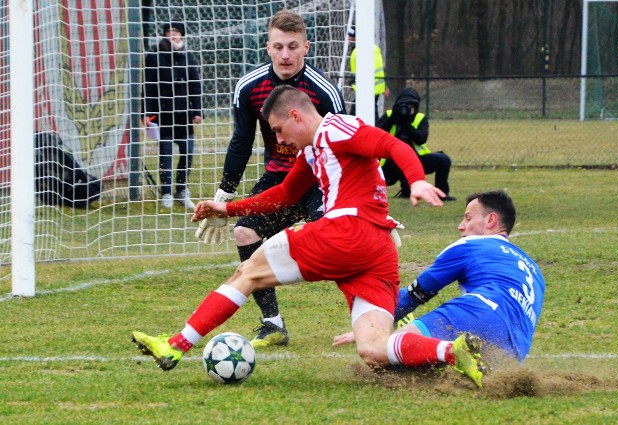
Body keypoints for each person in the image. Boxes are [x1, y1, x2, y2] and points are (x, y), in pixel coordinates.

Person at [131, 85, 489, 388]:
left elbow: (391, 146)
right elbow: (285, 195)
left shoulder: (337, 129)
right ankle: (451, 351)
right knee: (373, 349)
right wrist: (228, 208)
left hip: (346, 231)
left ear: (296, 115)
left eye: (278, 130)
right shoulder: (313, 150)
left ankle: (175, 345)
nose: (279, 140)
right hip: (376, 250)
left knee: (248, 273)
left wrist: (416, 180)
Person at [194, 10, 346, 349]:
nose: (286, 55)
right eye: (278, 46)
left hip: (319, 180)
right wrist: (224, 196)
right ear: (268, 48)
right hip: (280, 179)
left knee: (339, 247)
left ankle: (386, 311)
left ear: (306, 47)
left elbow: (344, 146)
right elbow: (241, 142)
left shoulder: (325, 92)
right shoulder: (250, 87)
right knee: (244, 230)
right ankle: (272, 324)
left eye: (293, 46)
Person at [333, 190, 546, 364]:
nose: (461, 226)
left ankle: (447, 350)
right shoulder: (536, 272)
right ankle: (454, 357)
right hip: (513, 352)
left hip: (478, 313)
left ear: (491, 220)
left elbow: (414, 295)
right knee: (430, 367)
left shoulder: (470, 245)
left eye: (468, 218)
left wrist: (371, 327)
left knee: (378, 354)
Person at [143, 22, 203, 210]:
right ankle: (166, 192)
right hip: (164, 115)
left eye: (176, 32)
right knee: (166, 155)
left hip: (184, 116)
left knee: (187, 153)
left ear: (182, 35)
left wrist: (197, 111)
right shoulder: (154, 57)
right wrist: (147, 112)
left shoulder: (188, 57)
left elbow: (195, 85)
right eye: (169, 32)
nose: (173, 35)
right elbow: (148, 87)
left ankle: (182, 189)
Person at [376, 87, 455, 201]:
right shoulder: (389, 115)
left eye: (410, 107)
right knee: (398, 157)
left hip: (416, 161)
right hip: (389, 165)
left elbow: (421, 139)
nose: (406, 110)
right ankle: (406, 190)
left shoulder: (420, 118)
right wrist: (393, 118)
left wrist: (406, 123)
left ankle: (442, 193)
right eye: (403, 106)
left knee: (443, 159)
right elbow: (376, 132)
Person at [347, 27, 390, 122]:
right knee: (368, 115)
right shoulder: (375, 49)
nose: (349, 39)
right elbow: (378, 70)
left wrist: (353, 82)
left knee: (356, 117)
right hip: (376, 88)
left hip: (365, 89)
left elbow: (363, 72)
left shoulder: (358, 52)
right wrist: (383, 86)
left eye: (351, 37)